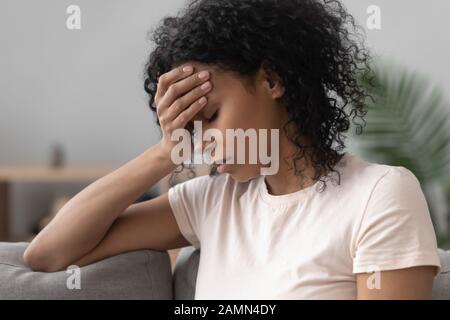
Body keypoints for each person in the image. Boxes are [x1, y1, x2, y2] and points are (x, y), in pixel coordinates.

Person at [23, 0, 441, 299]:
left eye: (213, 114)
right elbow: (48, 252)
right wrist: (164, 154)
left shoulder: (379, 194)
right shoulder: (211, 201)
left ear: (273, 80)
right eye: (192, 126)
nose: (203, 140)